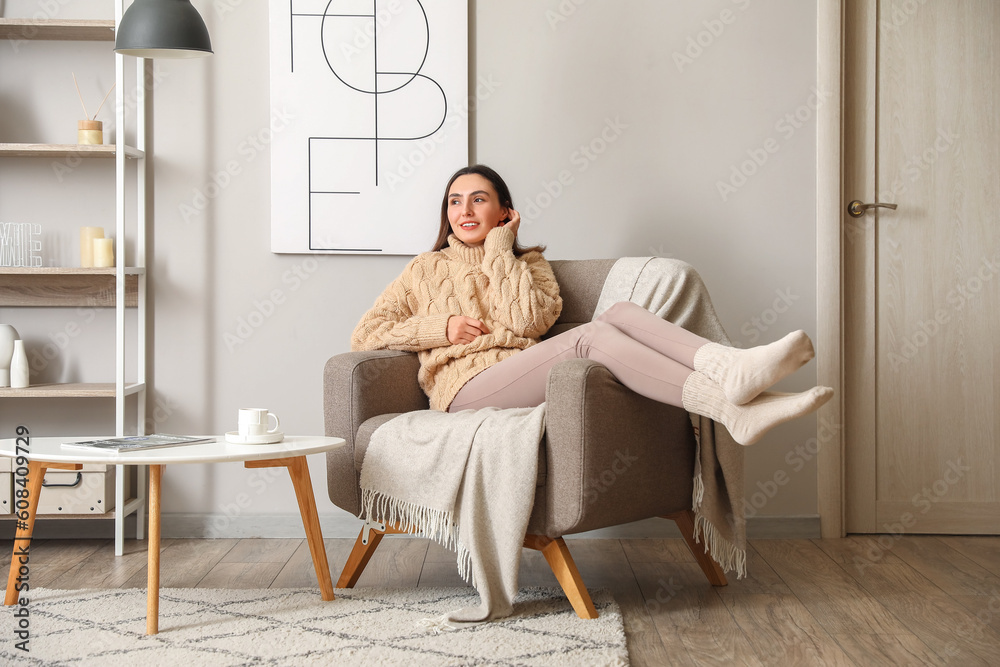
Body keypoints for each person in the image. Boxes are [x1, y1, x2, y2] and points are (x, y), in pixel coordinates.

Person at [352, 165, 832, 446]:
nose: (465, 211)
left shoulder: (530, 264)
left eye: (479, 200)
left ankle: (729, 372)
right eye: (455, 202)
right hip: (462, 390)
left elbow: (526, 321)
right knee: (591, 336)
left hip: (516, 373)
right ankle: (727, 403)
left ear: (504, 212)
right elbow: (366, 332)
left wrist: (502, 251)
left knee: (619, 314)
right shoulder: (423, 269)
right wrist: (442, 326)